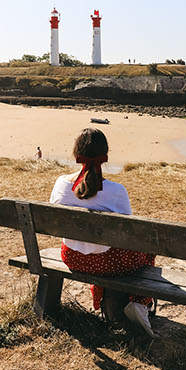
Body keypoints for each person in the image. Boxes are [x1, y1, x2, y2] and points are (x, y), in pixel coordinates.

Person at [49, 128, 157, 337]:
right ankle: (140, 303)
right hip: (109, 264)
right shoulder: (117, 191)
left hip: (73, 258)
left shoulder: (61, 184)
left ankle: (108, 302)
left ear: (76, 154)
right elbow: (128, 235)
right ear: (105, 155)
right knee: (147, 251)